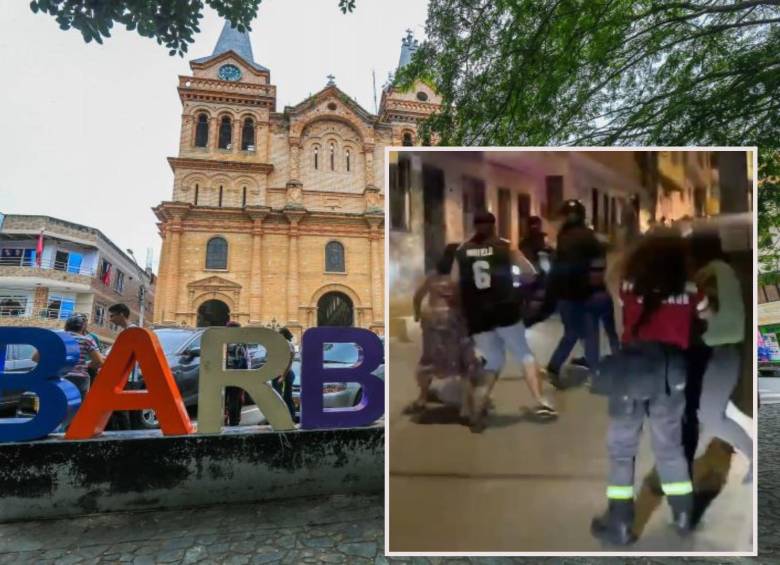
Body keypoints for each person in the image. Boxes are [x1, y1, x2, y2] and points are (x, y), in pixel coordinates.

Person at [591, 230, 705, 545]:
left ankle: (620, 522)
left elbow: (612, 282)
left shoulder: (629, 284)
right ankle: (683, 515)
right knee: (670, 446)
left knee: (622, 450)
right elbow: (707, 312)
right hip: (672, 370)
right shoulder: (691, 287)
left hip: (634, 368)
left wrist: (630, 255)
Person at [454, 210, 556, 427]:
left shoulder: (462, 250)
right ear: (494, 225)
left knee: (493, 360)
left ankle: (478, 407)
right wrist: (514, 282)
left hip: (478, 315)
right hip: (505, 310)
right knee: (524, 354)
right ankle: (540, 400)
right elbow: (529, 272)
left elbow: (455, 283)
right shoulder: (505, 246)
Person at [690, 229, 753, 483]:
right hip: (724, 350)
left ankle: (755, 455)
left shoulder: (711, 274)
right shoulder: (723, 270)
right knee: (709, 410)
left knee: (710, 414)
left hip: (721, 351)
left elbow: (713, 316)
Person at [409, 243, 483, 423]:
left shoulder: (433, 276)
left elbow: (418, 296)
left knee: (429, 359)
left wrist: (418, 314)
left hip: (432, 319)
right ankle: (465, 409)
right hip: (455, 321)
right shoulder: (464, 277)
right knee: (465, 363)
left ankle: (422, 398)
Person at [546, 200, 617, 387]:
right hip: (584, 294)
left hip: (566, 294)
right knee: (588, 332)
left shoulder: (563, 236)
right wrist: (598, 288)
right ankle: (592, 372)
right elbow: (599, 263)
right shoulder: (588, 237)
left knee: (575, 332)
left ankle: (557, 366)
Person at [106, 303, 135, 430]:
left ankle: (125, 438)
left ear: (121, 314)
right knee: (119, 410)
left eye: (112, 316)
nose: (110, 319)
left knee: (121, 411)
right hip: (123, 376)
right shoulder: (126, 332)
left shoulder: (132, 331)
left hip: (126, 378)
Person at [224, 321, 248, 427]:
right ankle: (234, 421)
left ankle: (225, 416)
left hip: (222, 373)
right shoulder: (240, 343)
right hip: (236, 374)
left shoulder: (222, 341)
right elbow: (244, 360)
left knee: (224, 397)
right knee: (235, 398)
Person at [274, 327, 297, 420]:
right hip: (283, 373)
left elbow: (289, 362)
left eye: (279, 334)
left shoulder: (287, 345)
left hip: (284, 374)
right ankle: (290, 417)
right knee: (286, 397)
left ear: (283, 335)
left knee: (280, 397)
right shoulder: (286, 344)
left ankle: (284, 418)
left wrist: (283, 376)